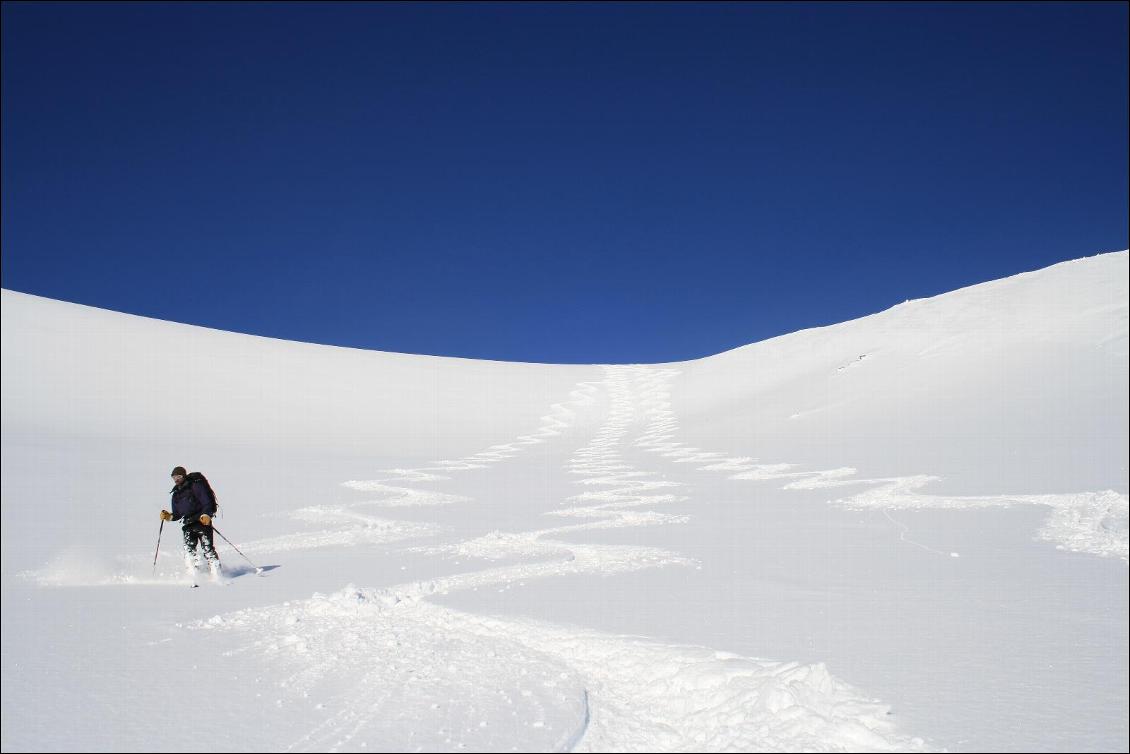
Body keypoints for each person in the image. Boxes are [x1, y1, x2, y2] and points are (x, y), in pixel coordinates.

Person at [160, 466, 221, 579]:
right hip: (188, 525)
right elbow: (177, 514)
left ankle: (217, 575)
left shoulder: (195, 486)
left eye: (178, 476)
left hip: (202, 522)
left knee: (207, 549)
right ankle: (193, 576)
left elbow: (207, 501)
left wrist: (206, 514)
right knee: (189, 551)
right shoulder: (176, 494)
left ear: (184, 475)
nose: (176, 479)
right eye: (174, 477)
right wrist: (169, 516)